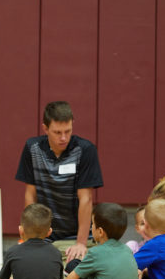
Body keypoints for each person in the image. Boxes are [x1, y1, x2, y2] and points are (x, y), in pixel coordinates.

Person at [15, 101, 103, 263]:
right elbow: (30, 195)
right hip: (45, 233)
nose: (63, 138)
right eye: (57, 132)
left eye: (67, 131)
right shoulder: (32, 148)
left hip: (77, 234)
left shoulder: (85, 150)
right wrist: (31, 237)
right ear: (45, 128)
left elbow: (86, 199)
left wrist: (81, 243)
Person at [63, 203, 139, 279]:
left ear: (100, 232)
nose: (91, 227)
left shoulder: (95, 253)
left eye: (92, 224)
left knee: (71, 266)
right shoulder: (127, 250)